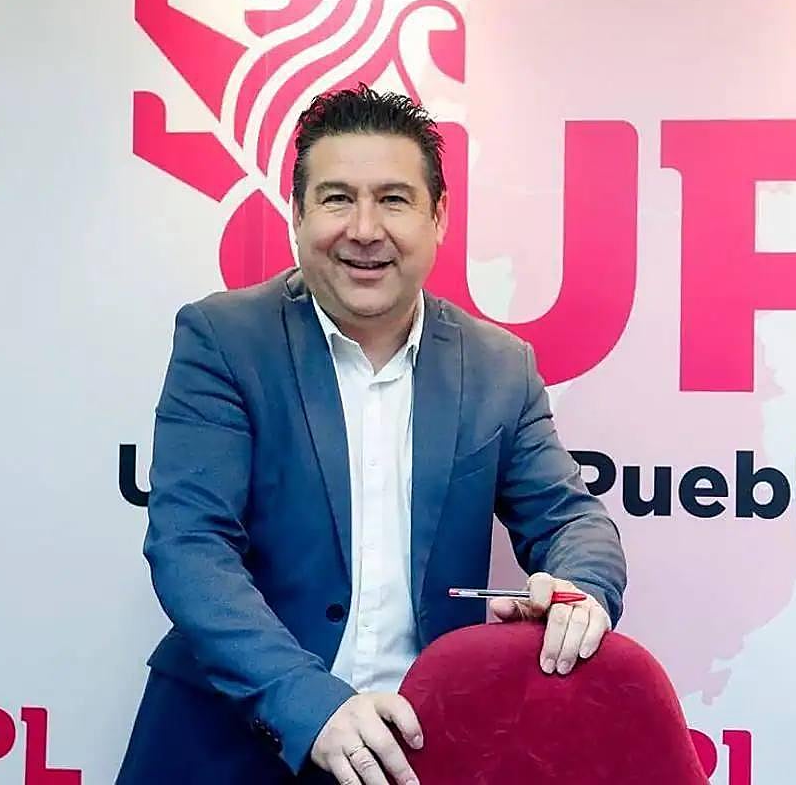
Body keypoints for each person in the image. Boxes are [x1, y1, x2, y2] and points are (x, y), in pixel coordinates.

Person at [116, 85, 627, 785]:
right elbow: (190, 546)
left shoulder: (499, 367)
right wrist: (310, 704)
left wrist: (582, 589)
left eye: (393, 199)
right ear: (297, 214)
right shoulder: (223, 339)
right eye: (336, 199)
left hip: (414, 753)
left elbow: (571, 520)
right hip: (230, 744)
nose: (364, 228)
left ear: (438, 216)